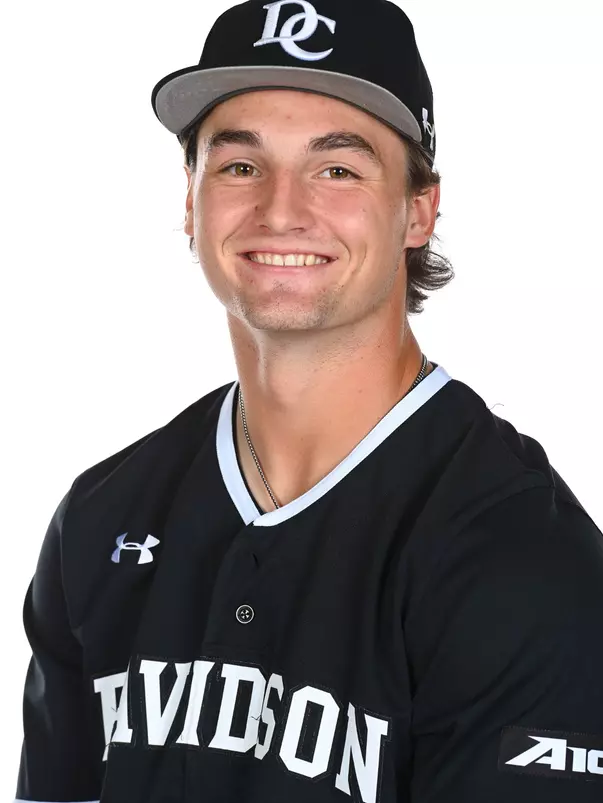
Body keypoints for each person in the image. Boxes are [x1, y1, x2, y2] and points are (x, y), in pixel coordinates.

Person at [14, 0, 603, 801]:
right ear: (190, 202)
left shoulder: (519, 557)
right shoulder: (99, 516)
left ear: (418, 211)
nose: (281, 209)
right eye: (238, 165)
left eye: (337, 168)